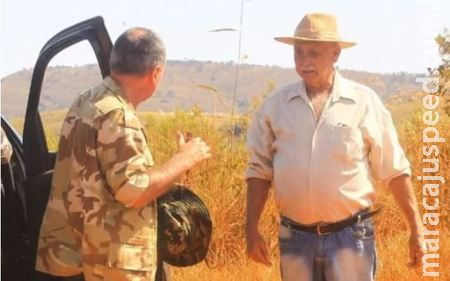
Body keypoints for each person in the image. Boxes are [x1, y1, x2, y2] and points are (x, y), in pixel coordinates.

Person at [245, 13, 423, 281]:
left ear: (336, 54)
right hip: (295, 239)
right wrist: (251, 230)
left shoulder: (363, 102)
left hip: (351, 238)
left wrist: (416, 227)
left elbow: (394, 169)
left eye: (314, 53)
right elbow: (259, 172)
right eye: (299, 53)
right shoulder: (276, 106)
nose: (304, 62)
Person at [36, 27, 211, 281]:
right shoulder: (117, 115)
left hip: (69, 258)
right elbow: (133, 190)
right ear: (156, 72)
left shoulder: (86, 100)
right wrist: (185, 158)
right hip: (104, 267)